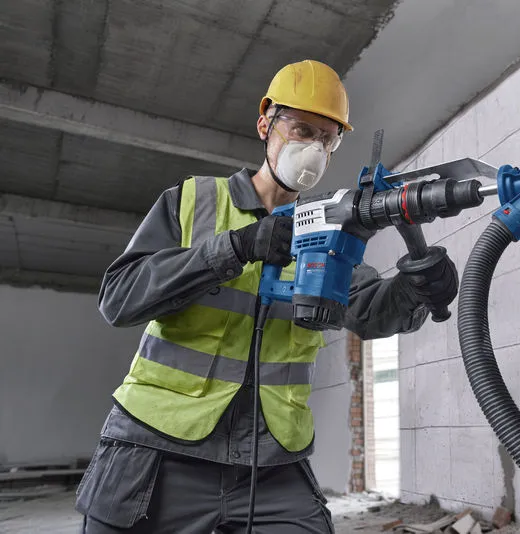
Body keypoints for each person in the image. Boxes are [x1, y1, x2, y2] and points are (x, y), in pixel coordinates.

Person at [75, 59, 458, 533]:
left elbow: (368, 309)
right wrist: (234, 248)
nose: (313, 148)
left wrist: (415, 289)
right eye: (301, 129)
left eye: (326, 138)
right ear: (266, 123)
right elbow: (120, 297)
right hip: (158, 450)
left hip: (270, 461)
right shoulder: (193, 201)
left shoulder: (327, 228)